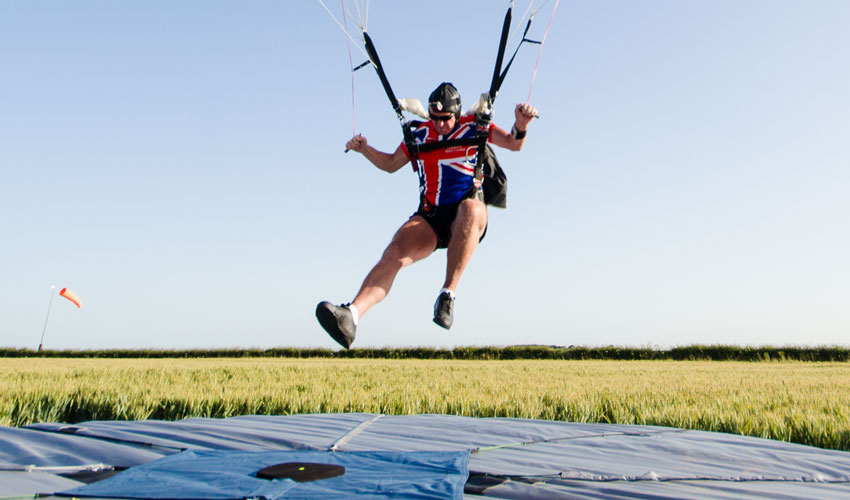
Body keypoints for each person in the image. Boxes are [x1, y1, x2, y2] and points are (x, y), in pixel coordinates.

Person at [317, 82, 537, 349]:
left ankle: (447, 295)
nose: (440, 125)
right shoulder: (421, 134)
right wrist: (365, 149)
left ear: (456, 114)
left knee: (471, 208)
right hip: (430, 216)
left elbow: (514, 144)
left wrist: (521, 124)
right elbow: (390, 165)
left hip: (465, 214)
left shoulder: (474, 127)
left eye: (445, 119)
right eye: (435, 119)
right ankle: (351, 316)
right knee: (395, 251)